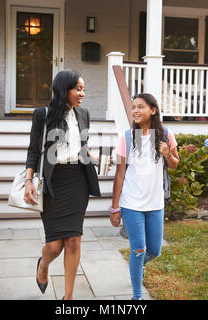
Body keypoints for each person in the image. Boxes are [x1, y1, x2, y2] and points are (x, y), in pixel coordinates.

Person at [24, 70, 101, 300]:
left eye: (83, 89)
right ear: (63, 89)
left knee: (74, 240)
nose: (82, 94)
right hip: (53, 182)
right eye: (78, 89)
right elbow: (34, 150)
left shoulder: (83, 114)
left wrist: (90, 156)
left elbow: (82, 146)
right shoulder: (42, 115)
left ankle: (68, 298)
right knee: (55, 246)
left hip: (77, 180)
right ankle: (44, 265)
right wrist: (29, 180)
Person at [109, 93, 179, 300]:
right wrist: (115, 208)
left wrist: (167, 154)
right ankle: (137, 296)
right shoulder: (128, 137)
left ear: (153, 110)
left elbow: (175, 164)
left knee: (154, 251)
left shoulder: (165, 134)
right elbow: (120, 174)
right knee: (138, 249)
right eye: (133, 107)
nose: (135, 111)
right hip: (131, 203)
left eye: (140, 107)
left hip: (155, 203)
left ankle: (137, 268)